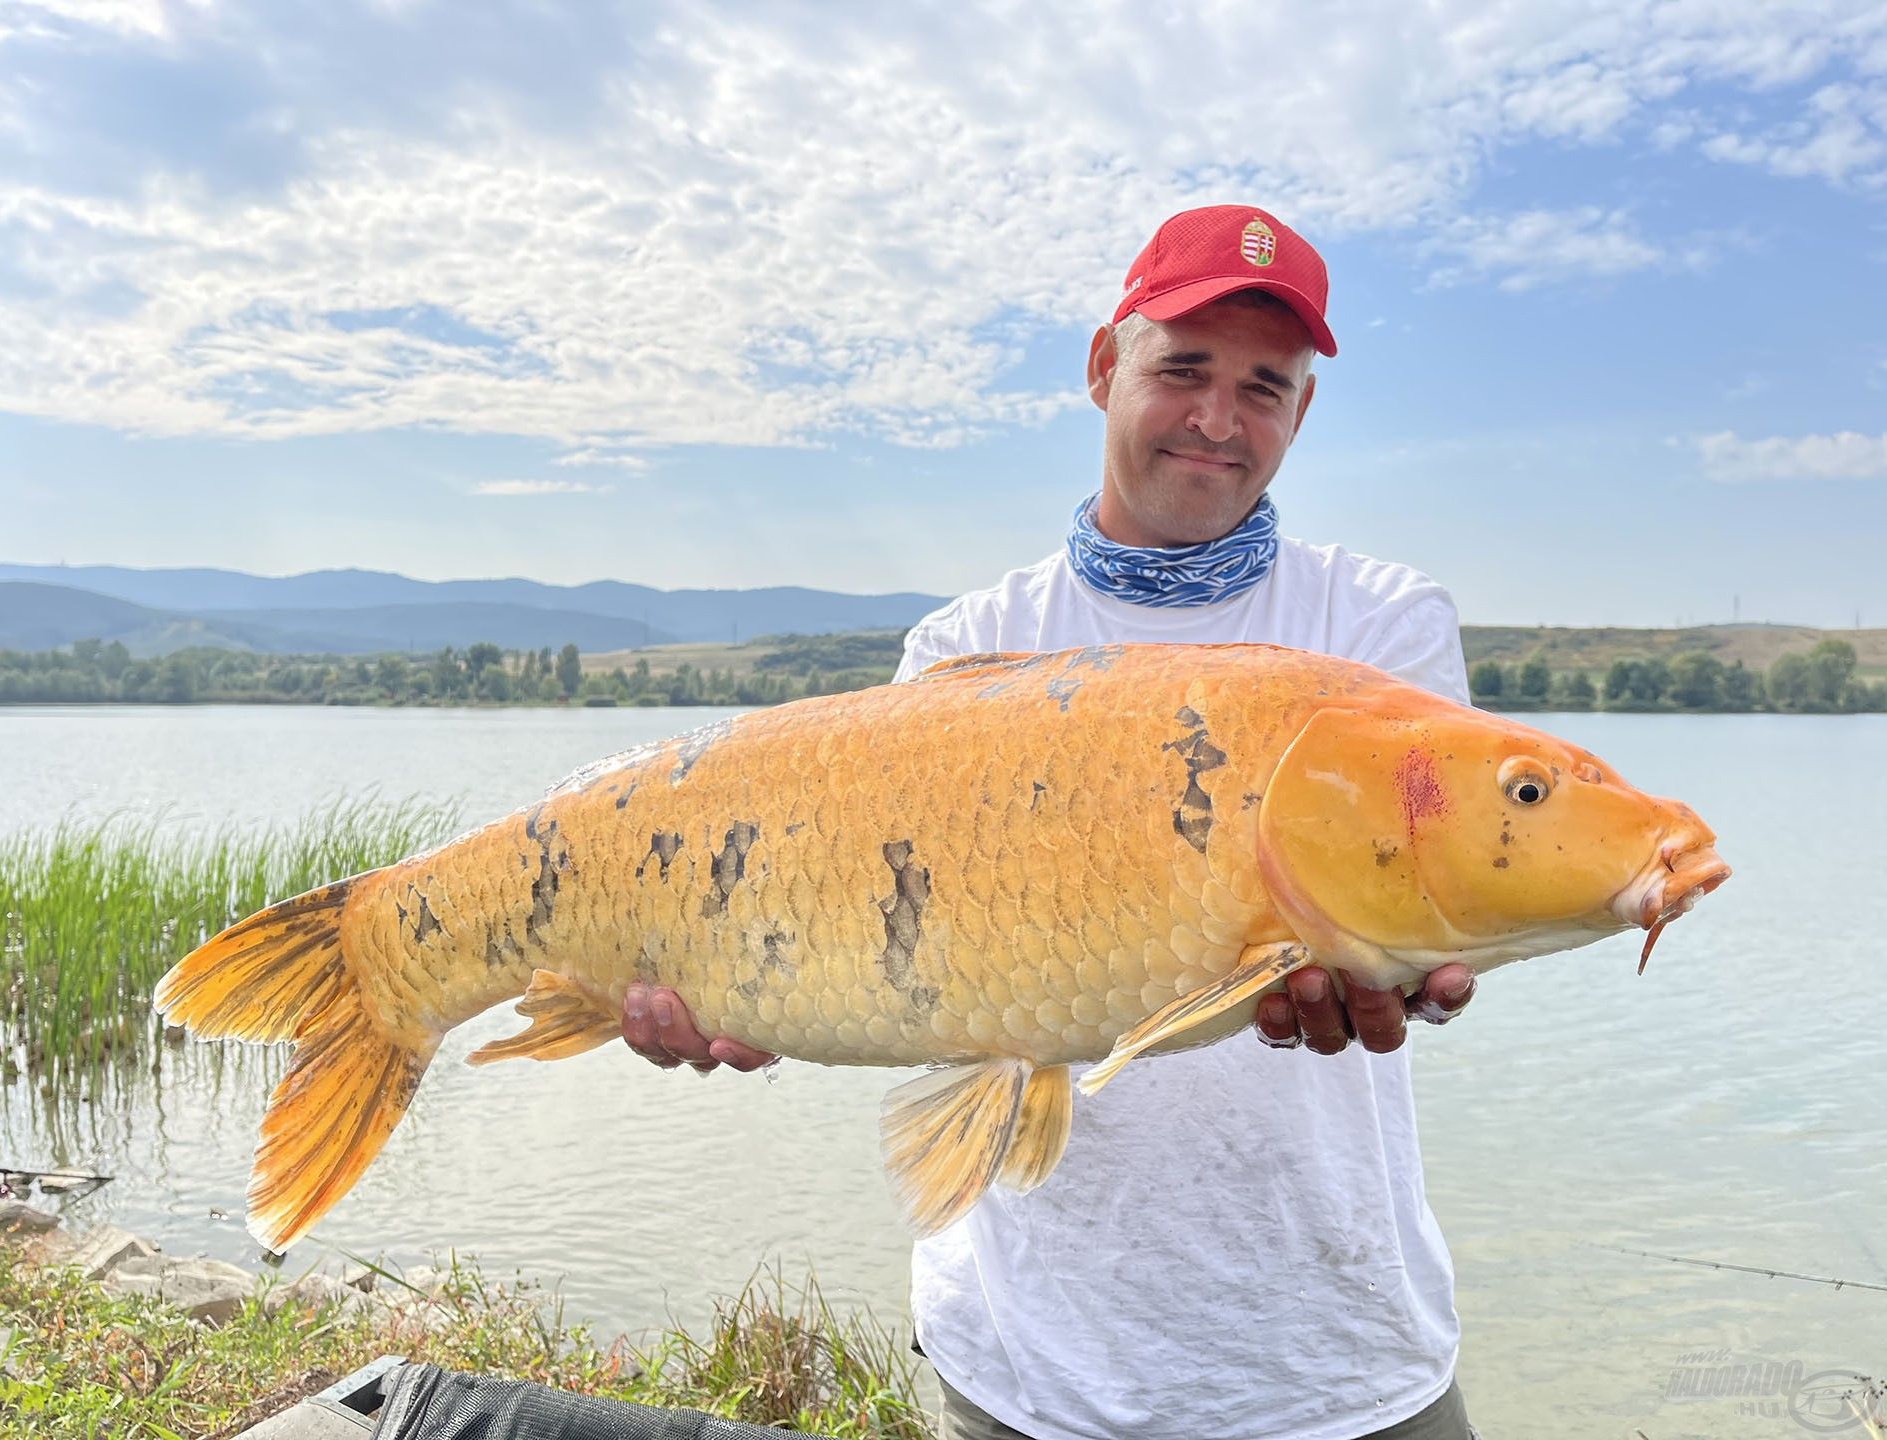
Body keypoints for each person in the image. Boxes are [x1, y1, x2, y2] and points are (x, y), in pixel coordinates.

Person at [621, 205, 1483, 1440]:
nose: (1218, 420)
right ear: (1102, 368)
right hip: (1029, 1360)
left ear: (1302, 412)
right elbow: (910, 974)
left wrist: (1431, 970)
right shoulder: (964, 647)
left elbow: (1435, 920)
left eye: (1265, 387)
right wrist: (722, 993)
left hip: (1337, 1351)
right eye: (1182, 369)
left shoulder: (1379, 631)